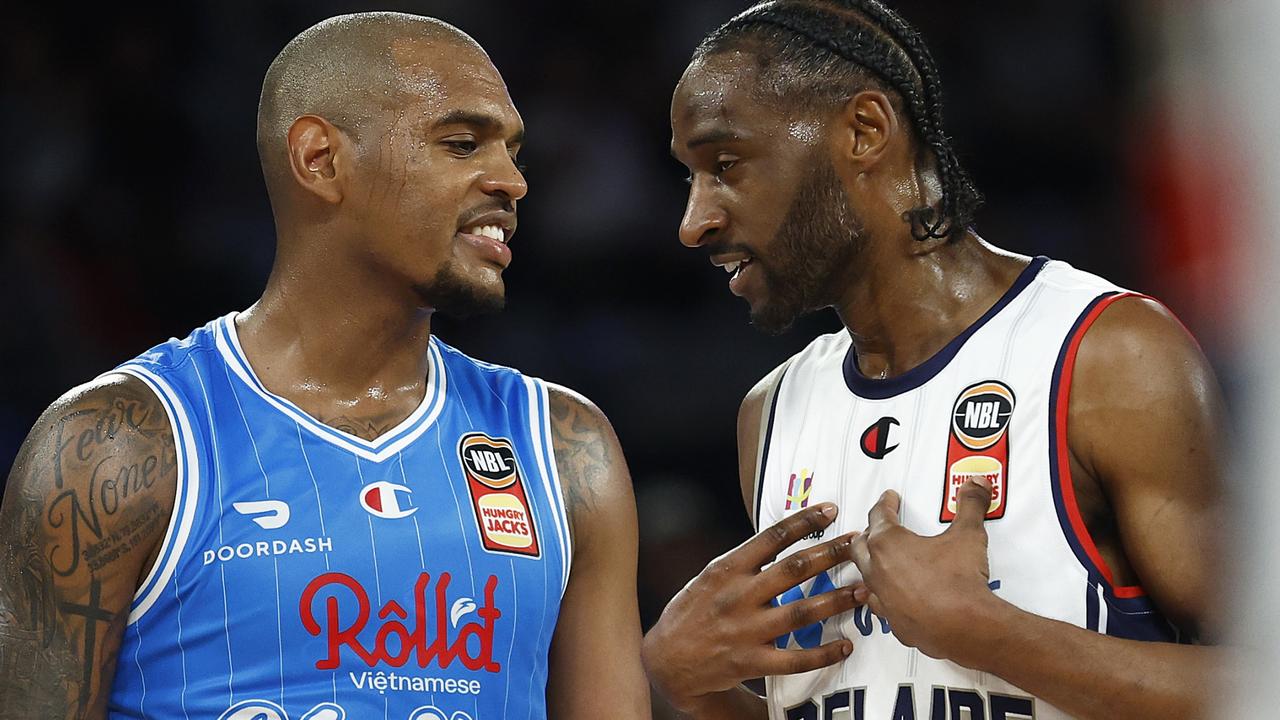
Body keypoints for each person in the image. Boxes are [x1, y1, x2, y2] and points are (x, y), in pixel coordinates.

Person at [0, 12, 649, 720]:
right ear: (320, 160)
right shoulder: (116, 444)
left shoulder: (563, 447)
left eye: (512, 152)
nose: (511, 180)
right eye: (461, 143)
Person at [644, 1, 1225, 718]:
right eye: (691, 179)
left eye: (725, 165)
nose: (693, 221)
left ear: (865, 131)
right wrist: (694, 690)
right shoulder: (770, 411)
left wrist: (988, 633)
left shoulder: (1108, 354)